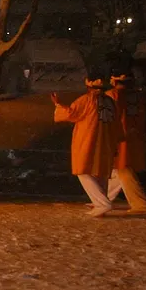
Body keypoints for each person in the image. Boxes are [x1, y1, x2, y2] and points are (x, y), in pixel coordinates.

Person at [53, 74, 122, 217]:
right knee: (100, 172)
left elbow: (71, 114)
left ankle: (102, 203)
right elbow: (117, 122)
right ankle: (101, 203)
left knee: (83, 171)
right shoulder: (109, 101)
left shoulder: (87, 99)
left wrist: (58, 105)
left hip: (89, 139)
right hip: (106, 140)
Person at [107, 68, 146, 214]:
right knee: (119, 170)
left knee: (123, 169)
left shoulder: (113, 95)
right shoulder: (137, 96)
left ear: (113, 80)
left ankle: (141, 204)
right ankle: (103, 198)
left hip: (121, 136)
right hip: (135, 136)